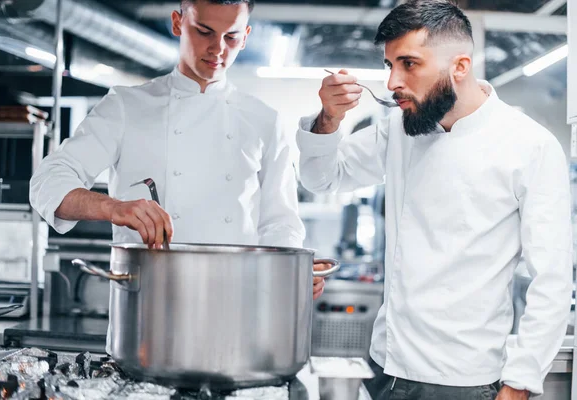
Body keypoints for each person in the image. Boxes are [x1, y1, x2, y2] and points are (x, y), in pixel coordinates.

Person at [296, 1, 572, 399]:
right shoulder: (398, 130)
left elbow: (553, 279)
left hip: (462, 381)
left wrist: (519, 383)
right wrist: (329, 119)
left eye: (408, 63)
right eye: (389, 65)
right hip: (385, 368)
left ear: (459, 66)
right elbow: (321, 178)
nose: (392, 82)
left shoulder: (529, 146)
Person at [30, 1, 327, 310]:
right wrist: (112, 207)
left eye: (231, 37)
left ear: (246, 36)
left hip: (235, 312)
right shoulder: (126, 106)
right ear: (177, 23)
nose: (218, 49)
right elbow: (46, 184)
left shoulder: (265, 120)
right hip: (146, 314)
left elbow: (280, 223)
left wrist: (292, 273)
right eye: (204, 31)